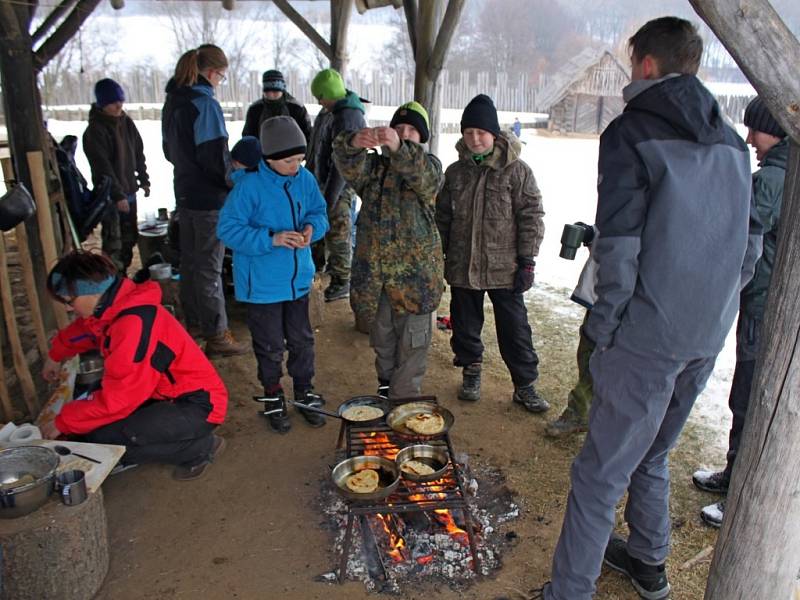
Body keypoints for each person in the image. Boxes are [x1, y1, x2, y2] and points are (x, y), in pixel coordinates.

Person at [541, 17, 761, 600]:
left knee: (597, 475)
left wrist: (606, 326)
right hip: (705, 334)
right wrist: (715, 307)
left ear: (644, 64)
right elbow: (751, 242)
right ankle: (648, 563)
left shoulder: (631, 132)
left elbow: (618, 247)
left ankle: (570, 592)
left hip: (646, 335)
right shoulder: (733, 145)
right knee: (654, 452)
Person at [39, 252, 228, 481]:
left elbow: (120, 399)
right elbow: (84, 332)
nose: (69, 309)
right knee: (92, 425)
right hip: (163, 393)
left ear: (92, 291)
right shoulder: (114, 307)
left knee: (105, 439)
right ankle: (174, 436)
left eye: (69, 301)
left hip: (198, 405)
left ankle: (200, 448)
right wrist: (55, 355)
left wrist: (63, 421)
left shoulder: (132, 324)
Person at [692, 96, 788, 528]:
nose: (750, 138)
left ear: (780, 130)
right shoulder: (780, 172)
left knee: (752, 400)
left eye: (758, 130)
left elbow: (738, 236)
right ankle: (734, 476)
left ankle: (741, 496)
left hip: (766, 307)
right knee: (748, 397)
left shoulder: (772, 180)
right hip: (766, 304)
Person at [435, 94, 547, 413]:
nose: (474, 138)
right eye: (468, 132)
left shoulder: (517, 171)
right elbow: (442, 217)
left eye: (481, 132)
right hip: (463, 265)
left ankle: (524, 385)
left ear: (494, 134)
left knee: (515, 329)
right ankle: (471, 372)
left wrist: (527, 261)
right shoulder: (455, 173)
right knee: (465, 325)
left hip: (505, 268)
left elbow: (531, 215)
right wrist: (439, 254)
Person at [217, 116, 329, 433]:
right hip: (262, 285)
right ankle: (273, 395)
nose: (296, 165)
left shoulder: (304, 179)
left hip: (297, 280)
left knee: (302, 340)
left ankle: (304, 392)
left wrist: (311, 230)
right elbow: (227, 230)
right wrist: (272, 239)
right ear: (268, 158)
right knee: (269, 345)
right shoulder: (249, 187)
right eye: (288, 160)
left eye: (299, 159)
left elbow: (319, 213)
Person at [333, 102, 444, 399]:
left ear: (422, 138)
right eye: (399, 128)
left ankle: (404, 399)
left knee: (413, 343)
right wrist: (355, 142)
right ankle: (385, 387)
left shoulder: (430, 166)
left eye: (412, 131)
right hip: (377, 280)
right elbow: (346, 161)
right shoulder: (373, 171)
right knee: (382, 337)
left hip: (416, 281)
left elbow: (423, 176)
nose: (404, 134)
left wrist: (399, 147)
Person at [162, 44, 248, 357]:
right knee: (210, 267)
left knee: (190, 263)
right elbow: (214, 157)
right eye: (221, 77)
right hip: (210, 199)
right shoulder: (204, 104)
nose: (219, 83)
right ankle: (217, 334)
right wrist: (233, 178)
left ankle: (196, 324)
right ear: (212, 73)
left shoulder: (173, 102)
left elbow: (169, 152)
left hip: (184, 193)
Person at [307, 68, 368, 302]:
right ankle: (325, 271)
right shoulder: (330, 112)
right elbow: (318, 147)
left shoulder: (348, 116)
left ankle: (343, 280)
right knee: (326, 230)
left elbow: (344, 162)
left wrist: (330, 197)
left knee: (339, 233)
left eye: (321, 96)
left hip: (340, 187)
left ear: (330, 93)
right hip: (323, 182)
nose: (320, 101)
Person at [82, 78, 149, 273]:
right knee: (114, 244)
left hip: (130, 191)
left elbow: (138, 152)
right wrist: (117, 195)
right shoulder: (95, 131)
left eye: (120, 100)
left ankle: (123, 278)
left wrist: (143, 178)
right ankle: (112, 282)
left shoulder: (126, 123)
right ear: (102, 104)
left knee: (130, 238)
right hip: (111, 197)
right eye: (113, 102)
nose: (119, 105)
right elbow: (102, 167)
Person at [545, 223, 597, 437]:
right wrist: (591, 233)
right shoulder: (625, 196)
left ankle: (581, 414)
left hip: (627, 301)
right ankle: (582, 414)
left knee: (601, 360)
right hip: (602, 297)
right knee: (587, 354)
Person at [242, 69, 312, 142]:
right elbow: (248, 137)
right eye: (267, 90)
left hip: (292, 152)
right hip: (262, 151)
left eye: (275, 91)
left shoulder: (296, 108)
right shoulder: (255, 109)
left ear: (282, 88)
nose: (270, 94)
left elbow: (307, 135)